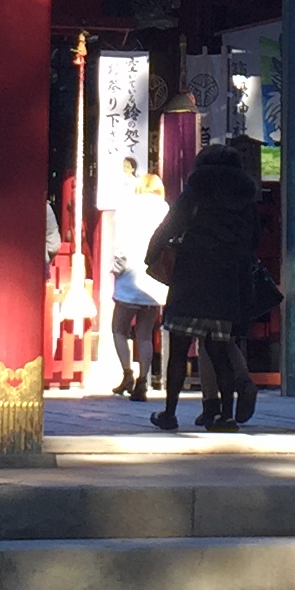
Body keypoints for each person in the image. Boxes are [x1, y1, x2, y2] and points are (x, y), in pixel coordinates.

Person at [147, 140, 259, 432]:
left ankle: (169, 413)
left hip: (192, 275)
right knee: (219, 349)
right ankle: (226, 415)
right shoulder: (246, 197)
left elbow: (171, 225)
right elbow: (253, 239)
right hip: (226, 280)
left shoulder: (197, 190)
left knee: (180, 347)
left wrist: (152, 254)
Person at [105, 158, 167, 401]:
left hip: (130, 276)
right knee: (145, 333)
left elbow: (120, 244)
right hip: (154, 280)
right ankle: (144, 380)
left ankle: (127, 373)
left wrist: (117, 268)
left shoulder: (127, 206)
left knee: (119, 328)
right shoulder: (165, 209)